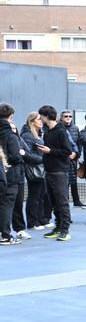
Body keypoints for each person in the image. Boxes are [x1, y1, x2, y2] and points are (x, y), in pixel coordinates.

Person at [36, 105, 73, 242]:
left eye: (41, 116)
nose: (40, 118)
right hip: (49, 170)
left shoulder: (60, 131)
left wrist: (49, 151)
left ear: (46, 116)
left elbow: (67, 151)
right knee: (53, 200)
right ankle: (58, 227)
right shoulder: (48, 131)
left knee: (62, 201)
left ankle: (65, 230)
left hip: (59, 171)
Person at [20, 112, 52, 231]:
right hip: (34, 169)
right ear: (32, 121)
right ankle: (32, 222)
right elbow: (26, 154)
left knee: (42, 195)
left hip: (41, 168)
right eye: (39, 119)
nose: (41, 121)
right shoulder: (27, 135)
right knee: (35, 196)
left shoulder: (39, 134)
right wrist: (42, 159)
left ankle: (41, 219)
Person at [0, 103, 24, 245]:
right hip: (10, 174)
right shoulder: (10, 134)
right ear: (11, 116)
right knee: (7, 205)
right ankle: (6, 235)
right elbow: (15, 157)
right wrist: (21, 154)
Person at [59, 110, 84, 208]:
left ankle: (76, 200)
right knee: (65, 181)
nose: (68, 118)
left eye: (70, 116)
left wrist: (76, 153)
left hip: (73, 157)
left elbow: (78, 143)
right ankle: (66, 200)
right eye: (66, 116)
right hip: (63, 157)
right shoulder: (59, 128)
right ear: (61, 118)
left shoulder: (75, 128)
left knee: (74, 179)